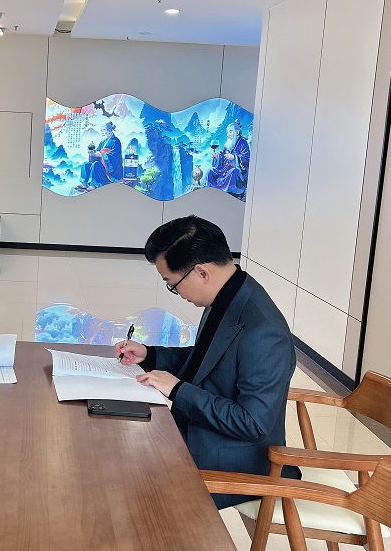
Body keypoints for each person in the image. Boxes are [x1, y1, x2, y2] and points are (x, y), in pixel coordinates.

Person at [115, 215, 300, 508]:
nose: (176, 293)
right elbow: (209, 360)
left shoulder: (264, 332)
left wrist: (178, 390)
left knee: (127, 486)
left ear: (201, 272)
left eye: (172, 285)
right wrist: (150, 355)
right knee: (115, 450)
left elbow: (253, 423)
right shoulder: (230, 294)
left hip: (235, 461)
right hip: (202, 433)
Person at [207, 121, 251, 199]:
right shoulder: (227, 144)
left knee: (233, 172)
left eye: (230, 132)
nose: (228, 134)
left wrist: (234, 157)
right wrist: (217, 157)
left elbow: (247, 158)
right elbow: (222, 155)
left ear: (237, 132)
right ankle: (212, 191)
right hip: (225, 168)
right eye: (227, 132)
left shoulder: (243, 143)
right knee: (211, 170)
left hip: (237, 170)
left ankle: (230, 194)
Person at [78, 122, 122, 190]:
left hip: (112, 170)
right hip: (102, 164)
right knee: (86, 164)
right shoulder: (103, 142)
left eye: (104, 130)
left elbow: (115, 156)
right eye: (101, 130)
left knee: (96, 165)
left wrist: (102, 155)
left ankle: (94, 184)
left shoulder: (116, 141)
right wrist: (92, 153)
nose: (102, 132)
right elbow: (98, 151)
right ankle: (85, 183)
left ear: (109, 130)